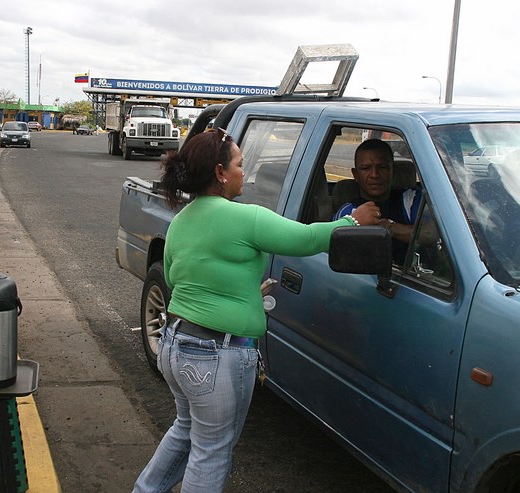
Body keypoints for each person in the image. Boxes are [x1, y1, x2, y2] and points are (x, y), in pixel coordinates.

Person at [131, 128, 380, 493]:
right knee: (211, 451)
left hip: (176, 344)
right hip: (215, 356)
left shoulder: (182, 219)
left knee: (185, 430)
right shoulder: (246, 218)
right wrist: (353, 221)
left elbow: (177, 277)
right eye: (239, 164)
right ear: (220, 173)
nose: (244, 172)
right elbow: (307, 239)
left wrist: (243, 291)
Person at [332, 138, 422, 264]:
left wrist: (389, 227)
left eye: (382, 167)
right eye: (366, 168)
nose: (374, 174)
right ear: (355, 175)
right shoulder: (348, 213)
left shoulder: (410, 199)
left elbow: (431, 234)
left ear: (393, 171)